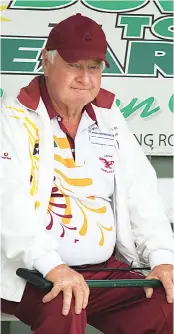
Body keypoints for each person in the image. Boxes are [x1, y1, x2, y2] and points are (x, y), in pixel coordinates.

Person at [1, 13, 173, 334]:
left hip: (100, 271)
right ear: (46, 62)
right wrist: (53, 266)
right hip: (30, 269)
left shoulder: (109, 116)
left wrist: (162, 258)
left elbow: (141, 193)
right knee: (65, 304)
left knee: (164, 305)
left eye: (94, 67)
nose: (85, 77)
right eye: (74, 65)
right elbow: (8, 203)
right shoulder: (13, 116)